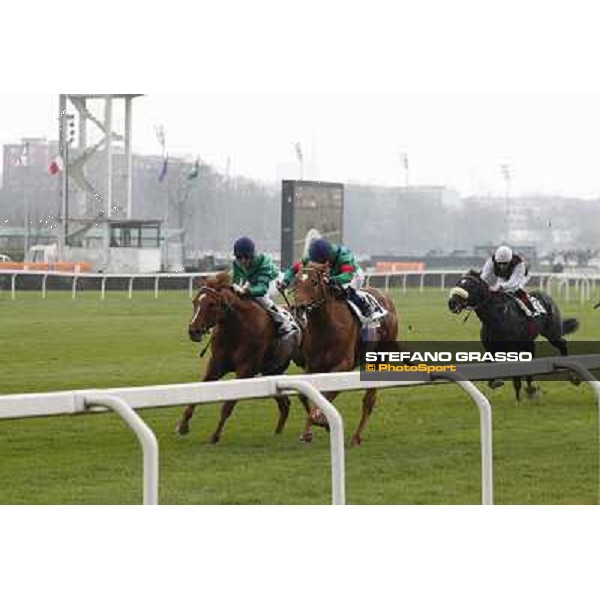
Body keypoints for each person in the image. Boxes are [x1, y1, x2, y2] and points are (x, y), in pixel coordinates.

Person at [279, 237, 374, 321]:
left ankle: (365, 307)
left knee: (344, 291)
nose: (316, 265)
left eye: (318, 263)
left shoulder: (343, 255)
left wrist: (331, 280)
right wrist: (285, 282)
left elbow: (347, 276)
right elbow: (293, 270)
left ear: (326, 259)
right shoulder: (310, 258)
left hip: (353, 275)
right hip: (331, 275)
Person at [231, 236, 295, 336]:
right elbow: (236, 282)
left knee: (259, 297)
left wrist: (247, 291)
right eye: (239, 257)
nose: (243, 261)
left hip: (274, 282)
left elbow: (262, 289)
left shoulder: (263, 264)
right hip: (254, 280)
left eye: (247, 257)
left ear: (253, 255)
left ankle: (284, 321)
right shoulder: (236, 264)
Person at [480, 245, 543, 317]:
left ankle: (532, 310)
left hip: (521, 277)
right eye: (499, 263)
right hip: (503, 277)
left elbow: (513, 283)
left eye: (505, 264)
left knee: (516, 291)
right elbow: (483, 277)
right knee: (498, 292)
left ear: (510, 260)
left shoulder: (519, 264)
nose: (502, 266)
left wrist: (499, 286)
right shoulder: (491, 261)